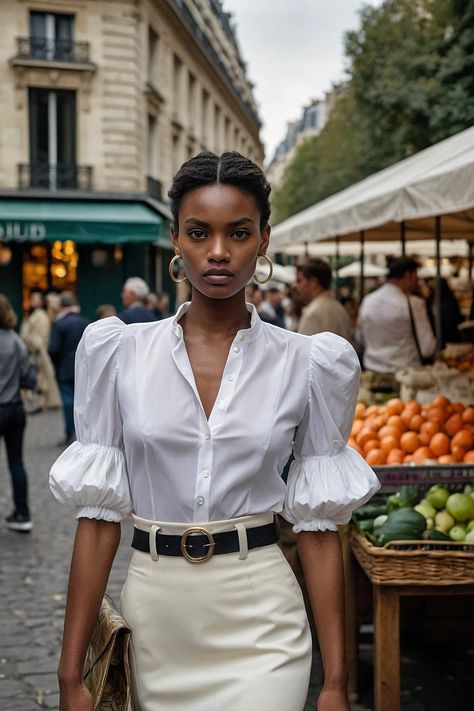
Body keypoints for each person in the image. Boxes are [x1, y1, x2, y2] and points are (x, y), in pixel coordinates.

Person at [49, 152, 379, 711]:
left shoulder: (310, 362)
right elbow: (99, 521)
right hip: (155, 616)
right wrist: (70, 674)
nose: (219, 252)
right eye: (200, 233)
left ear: (264, 239)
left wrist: (336, 684)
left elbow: (321, 530)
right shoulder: (119, 353)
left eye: (239, 233)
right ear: (175, 238)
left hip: (263, 620)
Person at [356, 257, 436, 373]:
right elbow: (427, 348)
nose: (417, 282)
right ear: (408, 275)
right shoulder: (414, 304)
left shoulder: (368, 300)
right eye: (416, 277)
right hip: (406, 374)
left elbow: (360, 337)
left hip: (372, 372)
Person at [0, 294, 37, 532]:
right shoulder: (15, 340)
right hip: (13, 408)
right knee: (16, 462)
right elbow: (29, 378)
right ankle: (22, 513)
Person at [49, 292, 89, 445]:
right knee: (84, 402)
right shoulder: (85, 322)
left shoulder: (59, 324)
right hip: (84, 368)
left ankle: (70, 433)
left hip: (65, 369)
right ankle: (82, 434)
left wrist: (57, 364)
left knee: (68, 402)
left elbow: (53, 349)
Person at [20, 289, 61, 413]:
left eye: (35, 298)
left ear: (41, 301)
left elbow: (42, 338)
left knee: (41, 379)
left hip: (38, 352)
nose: (32, 301)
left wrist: (30, 340)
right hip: (35, 351)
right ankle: (43, 403)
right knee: (40, 379)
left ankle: (44, 403)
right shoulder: (35, 315)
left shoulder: (41, 316)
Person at [294, 260, 354, 341]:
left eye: (299, 281)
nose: (295, 286)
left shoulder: (313, 313)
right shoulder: (339, 307)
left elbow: (304, 350)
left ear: (313, 282)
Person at [426, 277, 463, 348]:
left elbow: (454, 318)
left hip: (449, 335)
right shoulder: (430, 299)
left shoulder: (449, 300)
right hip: (436, 333)